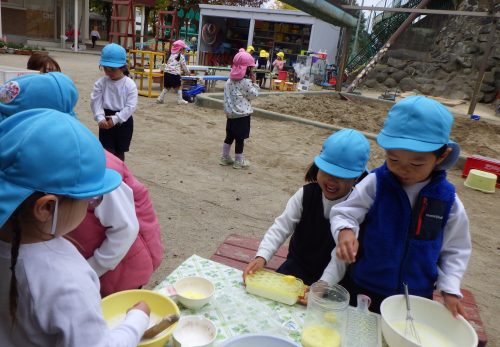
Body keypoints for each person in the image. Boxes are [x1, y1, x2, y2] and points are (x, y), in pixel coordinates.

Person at [0, 72, 164, 297]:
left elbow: (126, 229)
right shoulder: (30, 164)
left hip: (114, 271)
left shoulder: (94, 167)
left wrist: (88, 271)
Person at [0, 109, 150, 346]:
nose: (90, 204)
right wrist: (137, 321)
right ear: (47, 208)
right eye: (87, 199)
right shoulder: (66, 281)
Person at [331, 96, 471, 317]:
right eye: (393, 159)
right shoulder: (376, 183)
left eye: (416, 163)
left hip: (414, 296)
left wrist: (450, 288)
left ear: (441, 156)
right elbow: (345, 212)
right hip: (365, 285)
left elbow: (456, 250)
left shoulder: (447, 201)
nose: (403, 169)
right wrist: (346, 231)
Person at [243, 129, 370, 287]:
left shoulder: (356, 209)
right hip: (297, 268)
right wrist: (262, 256)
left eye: (342, 176)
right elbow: (282, 226)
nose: (332, 180)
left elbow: (340, 258)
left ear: (357, 178)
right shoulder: (305, 195)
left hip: (335, 279)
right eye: (327, 171)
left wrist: (323, 285)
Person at [91, 43, 138, 161]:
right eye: (106, 69)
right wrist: (100, 117)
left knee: (119, 153)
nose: (108, 72)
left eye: (112, 69)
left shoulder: (129, 84)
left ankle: (119, 176)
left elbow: (130, 106)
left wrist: (116, 119)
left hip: (123, 120)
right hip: (105, 119)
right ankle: (108, 175)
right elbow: (96, 101)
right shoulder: (101, 83)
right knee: (107, 152)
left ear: (123, 67)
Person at [220, 50, 259, 169]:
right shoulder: (245, 82)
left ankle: (225, 157)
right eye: (251, 68)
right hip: (242, 116)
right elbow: (254, 95)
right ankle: (238, 161)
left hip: (230, 115)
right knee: (240, 139)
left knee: (229, 137)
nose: (252, 70)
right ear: (247, 69)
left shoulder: (229, 81)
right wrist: (254, 83)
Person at [156, 40, 190, 105]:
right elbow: (184, 66)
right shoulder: (181, 57)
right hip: (174, 74)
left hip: (167, 73)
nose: (184, 51)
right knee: (180, 86)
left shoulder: (171, 55)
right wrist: (188, 72)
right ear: (180, 49)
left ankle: (160, 98)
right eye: (184, 49)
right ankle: (180, 100)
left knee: (167, 87)